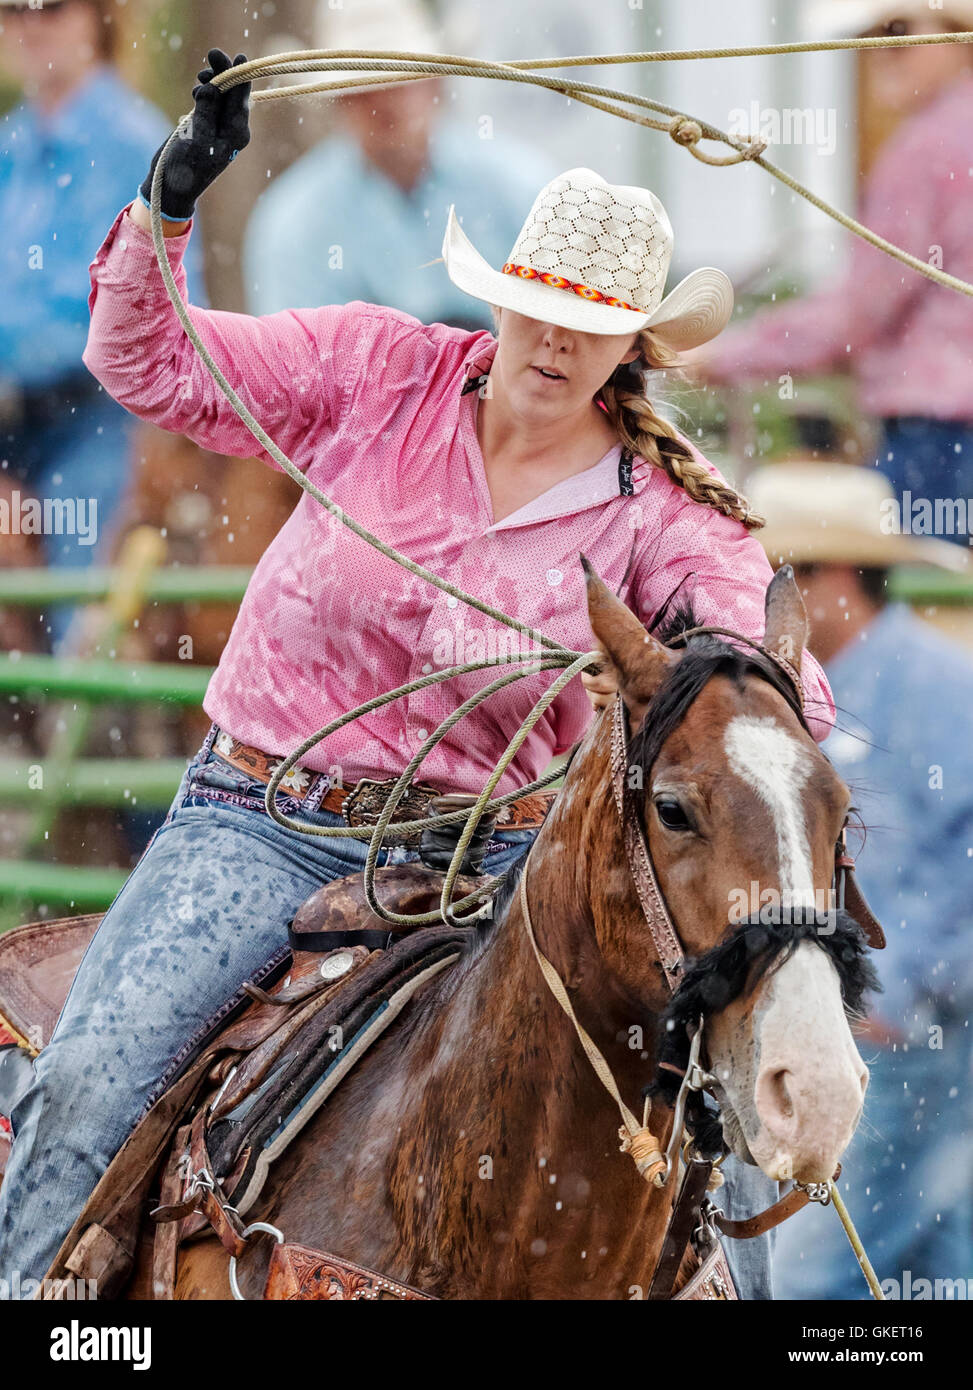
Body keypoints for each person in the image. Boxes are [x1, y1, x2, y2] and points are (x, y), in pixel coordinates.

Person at [0, 49, 837, 1296]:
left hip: (497, 858)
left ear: (632, 349)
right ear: (497, 301)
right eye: (539, 306)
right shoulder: (375, 369)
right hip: (267, 820)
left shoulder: (665, 515)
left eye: (594, 324)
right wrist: (169, 203)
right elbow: (152, 365)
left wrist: (767, 742)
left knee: (700, 1139)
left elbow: (769, 698)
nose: (557, 340)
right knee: (89, 1083)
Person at [743, 459, 973, 1299]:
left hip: (903, 1021)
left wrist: (888, 991)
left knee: (823, 1255)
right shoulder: (823, 687)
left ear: (832, 577)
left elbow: (964, 856)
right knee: (926, 1236)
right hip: (868, 1015)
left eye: (781, 577)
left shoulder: (936, 687)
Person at [694, 2, 973, 544]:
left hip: (937, 441)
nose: (880, 53)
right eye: (870, 36)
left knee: (888, 602)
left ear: (960, 36)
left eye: (897, 31)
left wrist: (725, 354)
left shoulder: (927, 149)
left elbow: (858, 312)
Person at [0, 0, 205, 646]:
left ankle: (81, 713)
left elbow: (144, 316)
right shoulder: (11, 146)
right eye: (12, 8)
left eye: (50, 6)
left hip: (103, 419)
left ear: (99, 16)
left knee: (84, 622)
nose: (31, 24)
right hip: (13, 425)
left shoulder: (138, 145)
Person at [242, 0, 554, 330]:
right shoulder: (295, 224)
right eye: (359, 91)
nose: (381, 102)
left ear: (436, 81)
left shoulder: (520, 189)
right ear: (336, 103)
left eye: (397, 83)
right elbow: (302, 367)